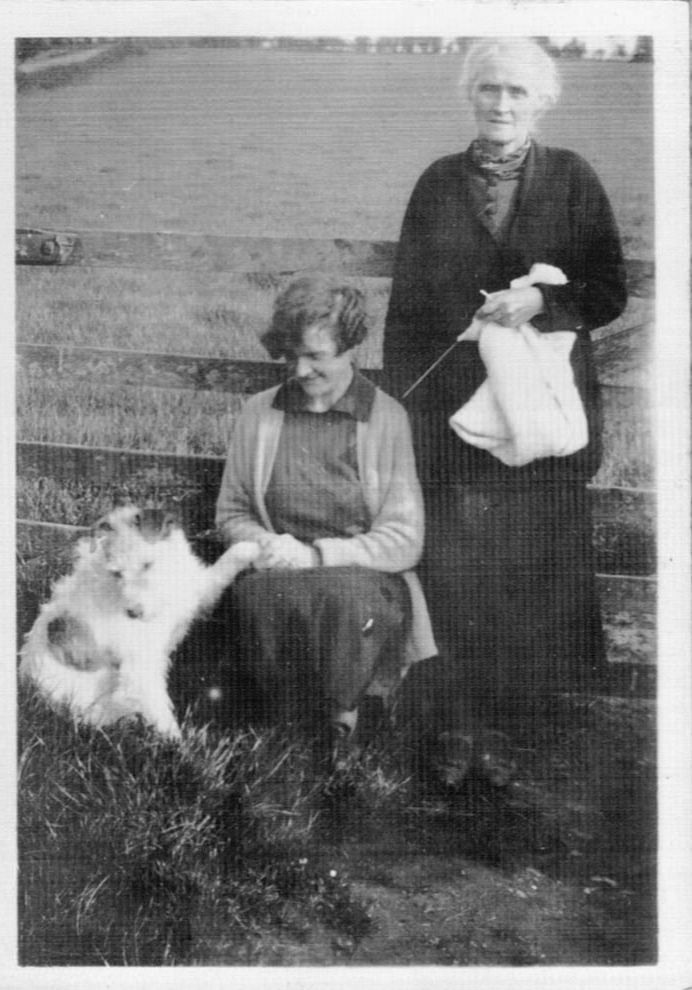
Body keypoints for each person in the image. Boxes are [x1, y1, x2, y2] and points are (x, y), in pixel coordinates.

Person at [382, 38, 627, 760]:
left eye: (517, 92)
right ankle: (455, 721)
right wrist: (404, 407)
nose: (501, 104)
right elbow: (407, 308)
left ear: (541, 101)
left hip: (544, 408)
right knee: (456, 558)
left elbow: (608, 289)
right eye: (489, 89)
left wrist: (541, 302)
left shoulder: (573, 180)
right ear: (471, 95)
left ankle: (531, 727)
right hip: (454, 410)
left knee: (536, 557)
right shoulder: (436, 184)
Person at [215, 274, 437, 762]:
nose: (300, 369)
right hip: (279, 569)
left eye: (316, 356)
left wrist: (316, 554)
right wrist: (265, 545)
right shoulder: (258, 413)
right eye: (292, 355)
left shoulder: (385, 418)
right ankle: (280, 728)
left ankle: (344, 725)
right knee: (257, 596)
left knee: (344, 596)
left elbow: (404, 539)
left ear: (350, 348)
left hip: (362, 579)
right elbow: (231, 511)